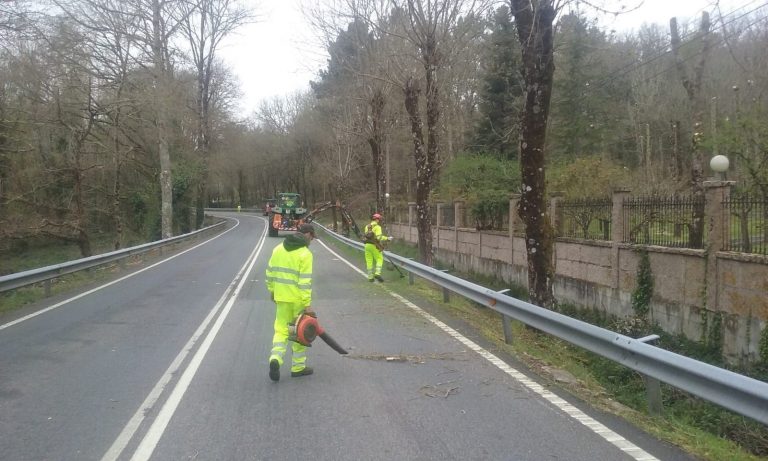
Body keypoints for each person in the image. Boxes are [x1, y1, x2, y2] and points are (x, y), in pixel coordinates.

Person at [265, 223, 316, 381]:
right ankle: (298, 367)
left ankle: (275, 359)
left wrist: (272, 290)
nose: (312, 241)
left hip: (281, 297)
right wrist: (307, 305)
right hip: (298, 301)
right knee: (299, 333)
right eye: (312, 238)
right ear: (308, 235)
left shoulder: (278, 249)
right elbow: (305, 282)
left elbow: (270, 273)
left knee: (280, 330)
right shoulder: (305, 254)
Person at [364, 213, 390, 282]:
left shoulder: (367, 226)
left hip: (367, 246)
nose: (379, 221)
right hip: (374, 246)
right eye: (379, 219)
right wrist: (387, 238)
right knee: (379, 258)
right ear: (377, 219)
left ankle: (370, 277)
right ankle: (377, 273)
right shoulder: (378, 227)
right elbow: (379, 237)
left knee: (369, 261)